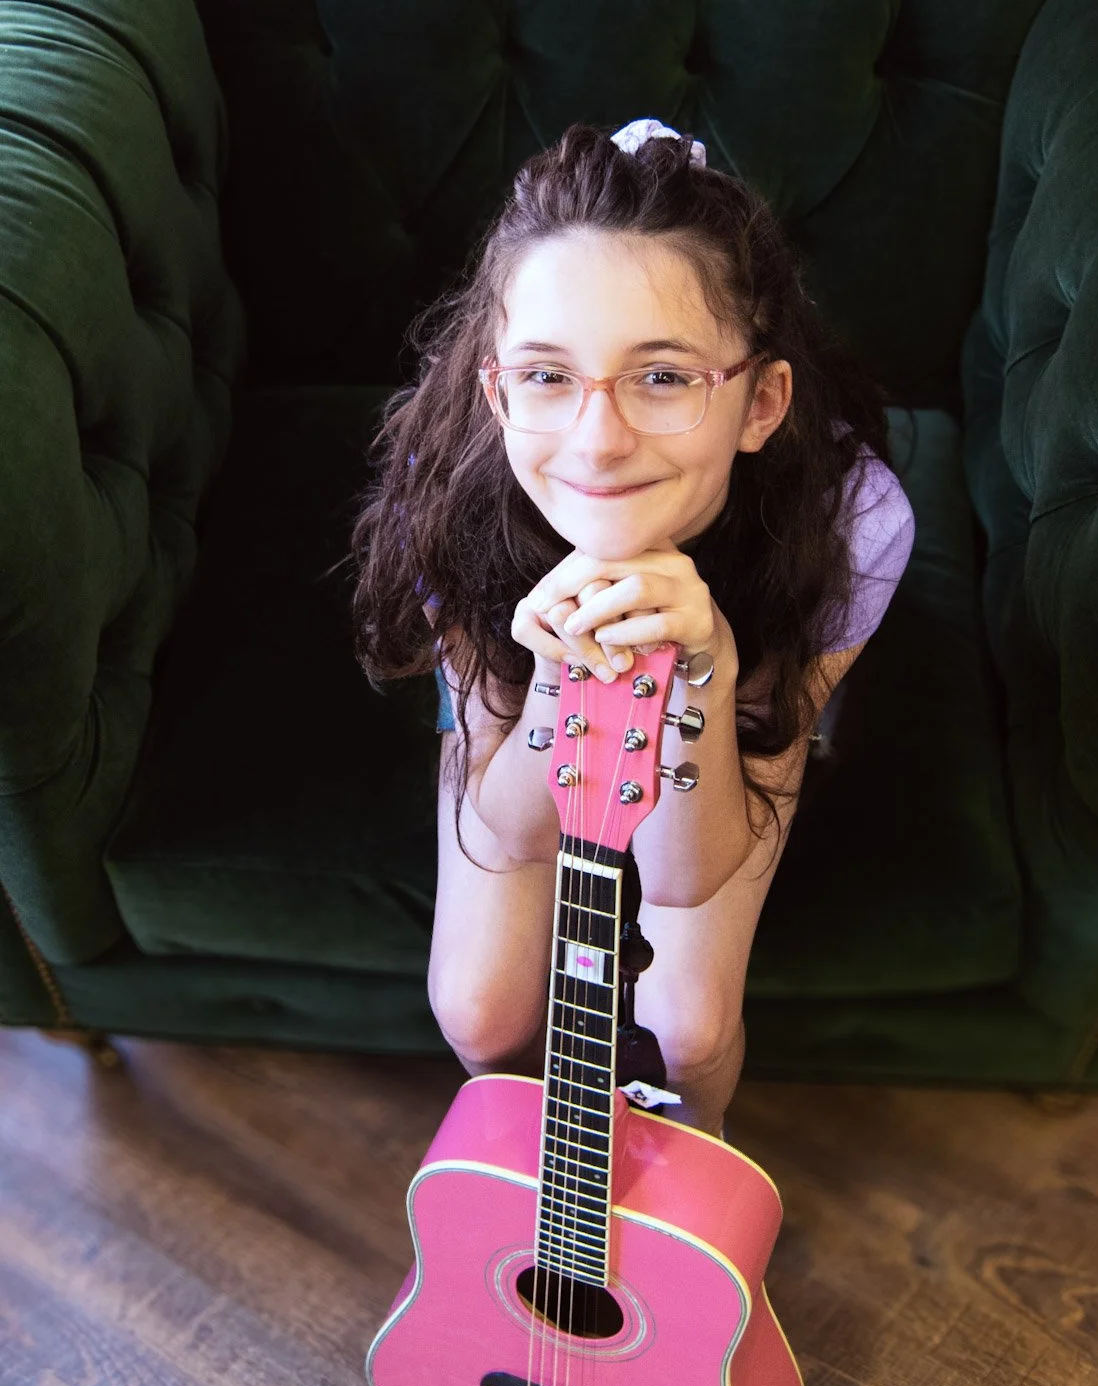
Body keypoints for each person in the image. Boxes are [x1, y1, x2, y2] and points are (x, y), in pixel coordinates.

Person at [350, 118, 914, 1139]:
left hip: (739, 712)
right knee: (478, 1008)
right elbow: (508, 826)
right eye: (548, 375)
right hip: (524, 726)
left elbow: (687, 875)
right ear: (496, 388)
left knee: (689, 1023)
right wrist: (559, 679)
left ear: (759, 401)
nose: (597, 443)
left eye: (662, 377)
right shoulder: (447, 498)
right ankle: (536, 1177)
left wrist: (706, 671)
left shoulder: (853, 520)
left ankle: (689, 1178)